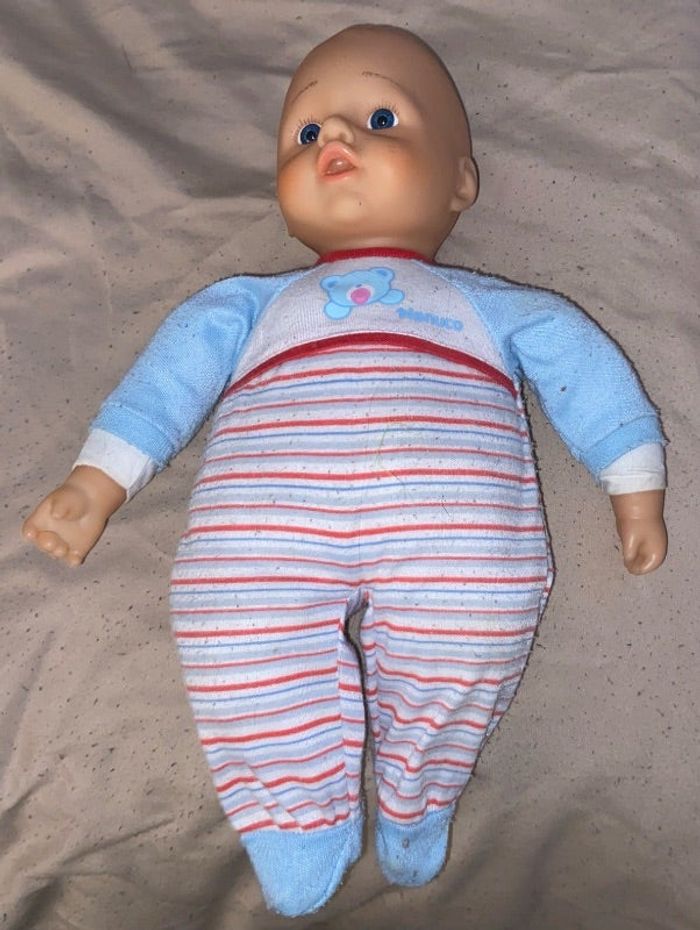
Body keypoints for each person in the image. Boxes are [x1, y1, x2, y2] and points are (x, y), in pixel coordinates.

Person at [21, 24, 667, 917]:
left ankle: (420, 789)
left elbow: (585, 374)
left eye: (380, 118)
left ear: (461, 182)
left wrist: (633, 483)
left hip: (451, 535)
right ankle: (293, 819)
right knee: (230, 629)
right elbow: (163, 387)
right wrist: (98, 481)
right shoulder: (247, 306)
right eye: (305, 132)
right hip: (266, 530)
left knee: (473, 626)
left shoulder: (491, 306)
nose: (337, 139)